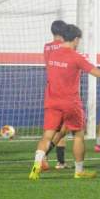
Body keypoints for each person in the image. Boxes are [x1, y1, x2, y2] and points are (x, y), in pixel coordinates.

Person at [29, 24, 100, 180]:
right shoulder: (76, 57)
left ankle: (35, 168)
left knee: (47, 135)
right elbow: (98, 74)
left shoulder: (52, 54)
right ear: (75, 39)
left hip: (52, 101)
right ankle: (79, 171)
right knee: (78, 135)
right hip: (70, 102)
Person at [41, 19, 69, 171]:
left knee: (53, 129)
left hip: (50, 91)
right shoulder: (64, 47)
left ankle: (58, 161)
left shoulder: (47, 47)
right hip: (64, 91)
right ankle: (45, 156)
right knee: (63, 129)